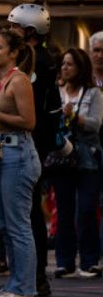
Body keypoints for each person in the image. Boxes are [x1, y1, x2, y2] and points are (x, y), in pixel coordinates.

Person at [0, 29, 41, 297]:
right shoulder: (2, 81)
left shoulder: (20, 80)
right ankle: (16, 282)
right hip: (1, 152)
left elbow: (29, 121)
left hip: (17, 154)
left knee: (17, 224)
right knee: (2, 223)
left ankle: (24, 289)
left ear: (14, 53)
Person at [8, 3, 61, 297]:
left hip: (30, 142)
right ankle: (31, 274)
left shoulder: (37, 63)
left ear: (29, 31)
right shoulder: (43, 59)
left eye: (14, 26)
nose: (9, 31)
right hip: (37, 142)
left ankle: (33, 275)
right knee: (26, 212)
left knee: (25, 213)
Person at [49, 47, 102, 278]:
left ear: (80, 67)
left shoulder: (93, 93)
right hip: (62, 158)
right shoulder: (56, 91)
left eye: (69, 64)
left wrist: (74, 117)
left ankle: (89, 260)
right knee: (64, 211)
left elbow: (95, 124)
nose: (65, 68)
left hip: (87, 158)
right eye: (63, 64)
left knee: (86, 209)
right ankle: (65, 261)